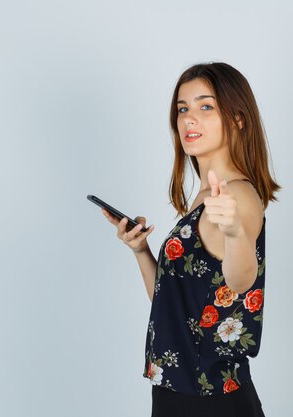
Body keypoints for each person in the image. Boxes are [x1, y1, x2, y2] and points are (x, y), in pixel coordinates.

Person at [101, 62, 280, 417]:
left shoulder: (240, 198)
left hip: (213, 400)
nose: (188, 119)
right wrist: (141, 251)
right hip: (179, 394)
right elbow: (174, 303)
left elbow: (241, 280)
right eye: (183, 109)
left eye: (205, 106)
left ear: (238, 119)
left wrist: (234, 233)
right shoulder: (205, 197)